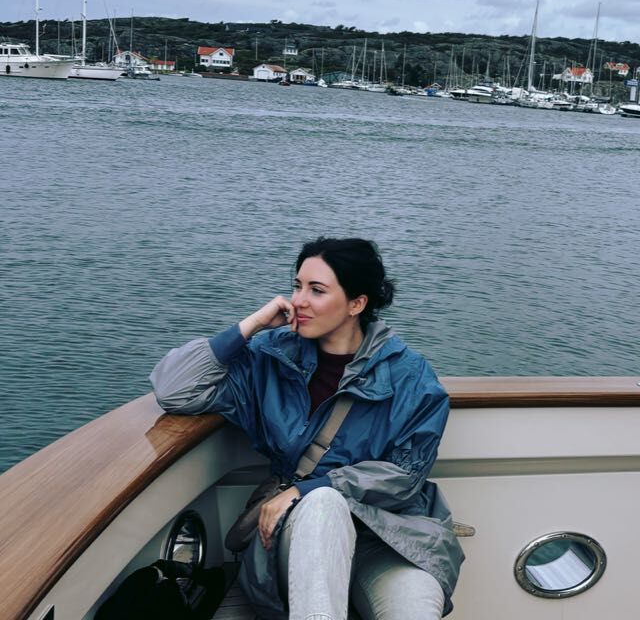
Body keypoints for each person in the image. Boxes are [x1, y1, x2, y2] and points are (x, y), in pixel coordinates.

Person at [150, 237, 464, 620]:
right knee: (323, 506)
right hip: (299, 531)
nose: (298, 300)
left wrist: (308, 487)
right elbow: (175, 390)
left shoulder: (410, 377)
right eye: (297, 286)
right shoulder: (270, 359)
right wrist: (252, 324)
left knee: (414, 608)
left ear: (356, 304)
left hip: (386, 534)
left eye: (316, 290)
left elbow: (406, 476)